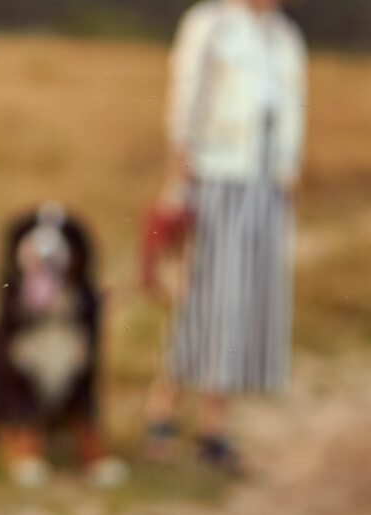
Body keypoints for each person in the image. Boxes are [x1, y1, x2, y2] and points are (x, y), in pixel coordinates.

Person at [144, 0, 307, 472]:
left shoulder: (285, 37)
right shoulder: (211, 24)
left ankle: (215, 427)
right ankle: (164, 411)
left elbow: (289, 113)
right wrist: (178, 181)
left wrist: (288, 182)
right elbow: (185, 99)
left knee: (246, 303)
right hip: (214, 176)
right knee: (201, 296)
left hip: (266, 184)